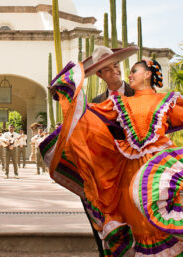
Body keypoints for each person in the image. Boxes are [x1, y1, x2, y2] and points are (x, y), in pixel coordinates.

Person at [42, 57, 183, 256]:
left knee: (160, 223)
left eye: (134, 71)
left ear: (148, 74)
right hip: (129, 173)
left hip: (160, 170)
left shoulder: (167, 100)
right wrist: (67, 90)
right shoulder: (118, 103)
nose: (129, 74)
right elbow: (86, 115)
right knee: (138, 224)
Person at [83, 46, 137, 256]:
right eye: (108, 68)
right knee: (102, 212)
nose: (115, 70)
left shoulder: (138, 93)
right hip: (109, 169)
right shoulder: (96, 102)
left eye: (116, 65)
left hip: (137, 167)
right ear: (99, 74)